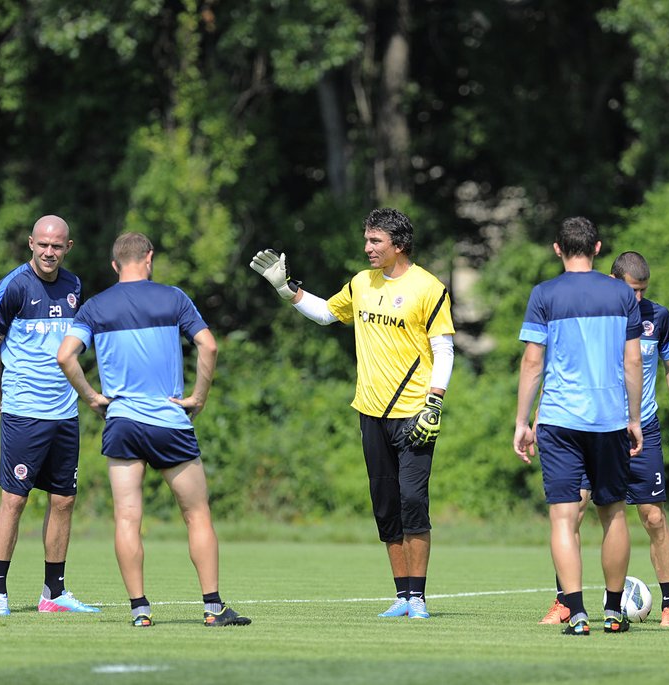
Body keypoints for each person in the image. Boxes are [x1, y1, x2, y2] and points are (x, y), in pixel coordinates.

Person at [250, 208, 455, 620]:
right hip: (370, 412)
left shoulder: (429, 287)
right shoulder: (361, 282)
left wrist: (435, 401)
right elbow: (327, 313)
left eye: (376, 241)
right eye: (367, 240)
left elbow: (443, 349)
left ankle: (419, 597)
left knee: (413, 500)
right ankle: (401, 595)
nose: (368, 248)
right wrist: (285, 290)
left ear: (399, 245)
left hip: (415, 412)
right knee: (385, 506)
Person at [57, 232, 251, 628]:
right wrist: (198, 396)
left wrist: (92, 396)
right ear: (149, 258)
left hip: (123, 423)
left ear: (115, 265)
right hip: (169, 421)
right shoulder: (174, 298)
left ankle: (140, 611)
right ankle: (213, 608)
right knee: (197, 514)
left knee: (127, 518)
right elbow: (209, 347)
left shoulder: (96, 306)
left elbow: (65, 356)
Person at [536, 251, 669, 627]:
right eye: (631, 290)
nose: (637, 299)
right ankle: (565, 602)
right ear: (612, 280)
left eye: (643, 291)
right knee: (571, 512)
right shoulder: (596, 314)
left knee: (652, 517)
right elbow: (561, 363)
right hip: (596, 426)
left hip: (644, 429)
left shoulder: (659, 317)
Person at [514, 216, 643, 636]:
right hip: (609, 420)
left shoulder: (544, 294)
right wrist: (635, 418)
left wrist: (521, 420)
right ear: (598, 247)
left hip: (559, 420)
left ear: (557, 249)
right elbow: (633, 361)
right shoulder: (623, 293)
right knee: (614, 514)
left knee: (563, 518)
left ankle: (577, 613)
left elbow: (533, 362)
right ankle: (613, 611)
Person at [0, 215, 98, 616]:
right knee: (14, 500)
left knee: (63, 500)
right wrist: (4, 392)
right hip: (24, 412)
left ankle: (54, 593)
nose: (49, 252)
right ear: (31, 243)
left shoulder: (75, 286)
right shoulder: (13, 287)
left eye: (57, 246)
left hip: (65, 413)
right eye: (43, 244)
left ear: (68, 247)